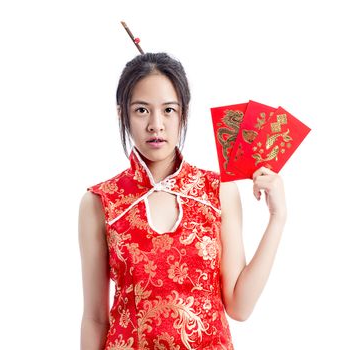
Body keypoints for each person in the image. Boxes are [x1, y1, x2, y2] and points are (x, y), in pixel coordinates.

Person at [78, 52, 286, 349]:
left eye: (168, 110)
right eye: (141, 110)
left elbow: (239, 306)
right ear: (121, 114)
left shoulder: (218, 191)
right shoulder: (100, 202)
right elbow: (95, 318)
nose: (156, 125)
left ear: (183, 114)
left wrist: (277, 218)